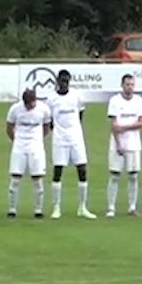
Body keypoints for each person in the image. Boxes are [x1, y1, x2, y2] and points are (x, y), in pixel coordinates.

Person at [47, 69, 95, 219]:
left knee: (82, 169)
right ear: (57, 82)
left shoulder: (77, 96)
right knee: (58, 170)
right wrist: (59, 131)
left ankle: (82, 207)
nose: (64, 84)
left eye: (66, 82)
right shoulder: (51, 99)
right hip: (59, 138)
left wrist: (73, 129)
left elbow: (80, 114)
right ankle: (56, 207)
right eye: (62, 81)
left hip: (75, 137)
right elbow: (50, 121)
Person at [5, 87, 52, 218]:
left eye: (32, 103)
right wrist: (17, 141)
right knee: (15, 179)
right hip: (19, 147)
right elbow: (9, 127)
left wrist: (37, 140)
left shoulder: (44, 109)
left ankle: (38, 210)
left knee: (37, 179)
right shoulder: (15, 109)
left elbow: (46, 127)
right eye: (28, 104)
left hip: (36, 147)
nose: (30, 106)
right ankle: (12, 209)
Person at [104, 73, 142, 218]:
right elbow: (114, 125)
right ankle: (110, 207)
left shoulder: (139, 101)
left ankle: (132, 207)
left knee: (133, 175)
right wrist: (118, 142)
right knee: (114, 175)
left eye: (132, 85)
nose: (130, 87)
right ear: (122, 85)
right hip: (118, 144)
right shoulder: (115, 100)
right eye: (127, 84)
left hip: (134, 143)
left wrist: (125, 128)